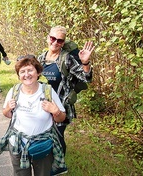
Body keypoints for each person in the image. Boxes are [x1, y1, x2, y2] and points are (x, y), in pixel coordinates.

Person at [0, 55, 67, 176]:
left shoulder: (47, 91)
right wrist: (8, 108)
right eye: (22, 72)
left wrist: (56, 111)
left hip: (42, 145)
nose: (26, 74)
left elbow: (61, 118)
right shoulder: (14, 91)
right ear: (19, 76)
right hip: (17, 145)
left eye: (30, 70)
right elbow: (6, 114)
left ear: (38, 72)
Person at [39, 26, 94, 175]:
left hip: (62, 106)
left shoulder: (66, 59)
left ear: (63, 43)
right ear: (48, 37)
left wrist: (85, 63)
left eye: (59, 40)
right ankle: (48, 162)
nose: (55, 42)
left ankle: (59, 166)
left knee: (57, 135)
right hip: (44, 106)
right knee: (46, 135)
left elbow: (86, 78)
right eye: (53, 38)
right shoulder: (41, 58)